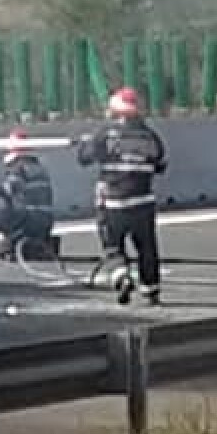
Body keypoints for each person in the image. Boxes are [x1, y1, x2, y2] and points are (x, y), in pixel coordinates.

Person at [75, 86, 168, 306]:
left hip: (113, 203)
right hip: (144, 203)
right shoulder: (150, 136)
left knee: (113, 245)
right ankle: (151, 289)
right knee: (147, 247)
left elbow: (84, 158)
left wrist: (86, 144)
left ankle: (121, 276)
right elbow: (160, 163)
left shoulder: (105, 134)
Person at [0, 129, 55, 260]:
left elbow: (8, 189)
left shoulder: (20, 168)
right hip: (46, 220)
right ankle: (31, 241)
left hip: (31, 219)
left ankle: (17, 238)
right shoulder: (40, 168)